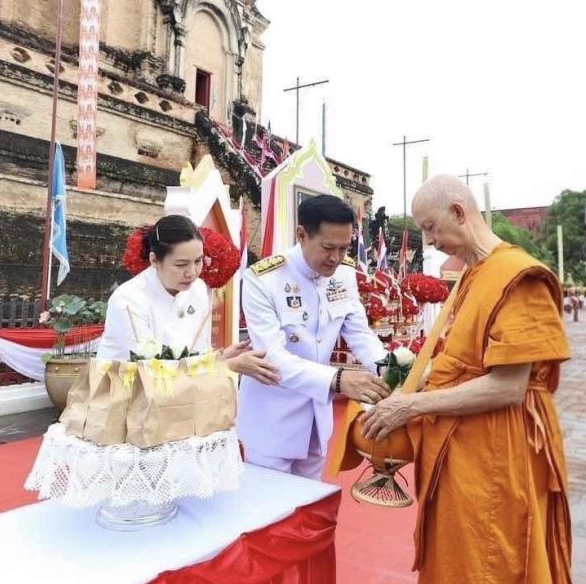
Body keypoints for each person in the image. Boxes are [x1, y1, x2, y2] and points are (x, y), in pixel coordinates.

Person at [361, 176, 576, 584]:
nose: (432, 240)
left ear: (460, 212)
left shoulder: (517, 276)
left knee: (491, 581)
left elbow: (508, 387)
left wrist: (412, 406)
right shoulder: (472, 277)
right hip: (460, 456)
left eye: (432, 227)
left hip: (497, 456)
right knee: (459, 572)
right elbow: (458, 364)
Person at [240, 195, 391, 479]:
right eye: (327, 247)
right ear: (302, 235)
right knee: (271, 513)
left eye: (344, 248)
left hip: (316, 420)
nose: (335, 258)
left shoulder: (343, 274)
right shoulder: (263, 279)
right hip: (273, 420)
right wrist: (337, 380)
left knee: (309, 510)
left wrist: (391, 369)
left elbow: (359, 332)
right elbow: (271, 358)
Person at [96, 214, 277, 382]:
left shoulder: (197, 289)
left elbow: (194, 355)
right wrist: (226, 366)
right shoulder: (128, 300)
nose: (192, 273)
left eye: (198, 261)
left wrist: (221, 357)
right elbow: (148, 371)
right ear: (154, 260)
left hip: (182, 399)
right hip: (130, 397)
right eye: (181, 264)